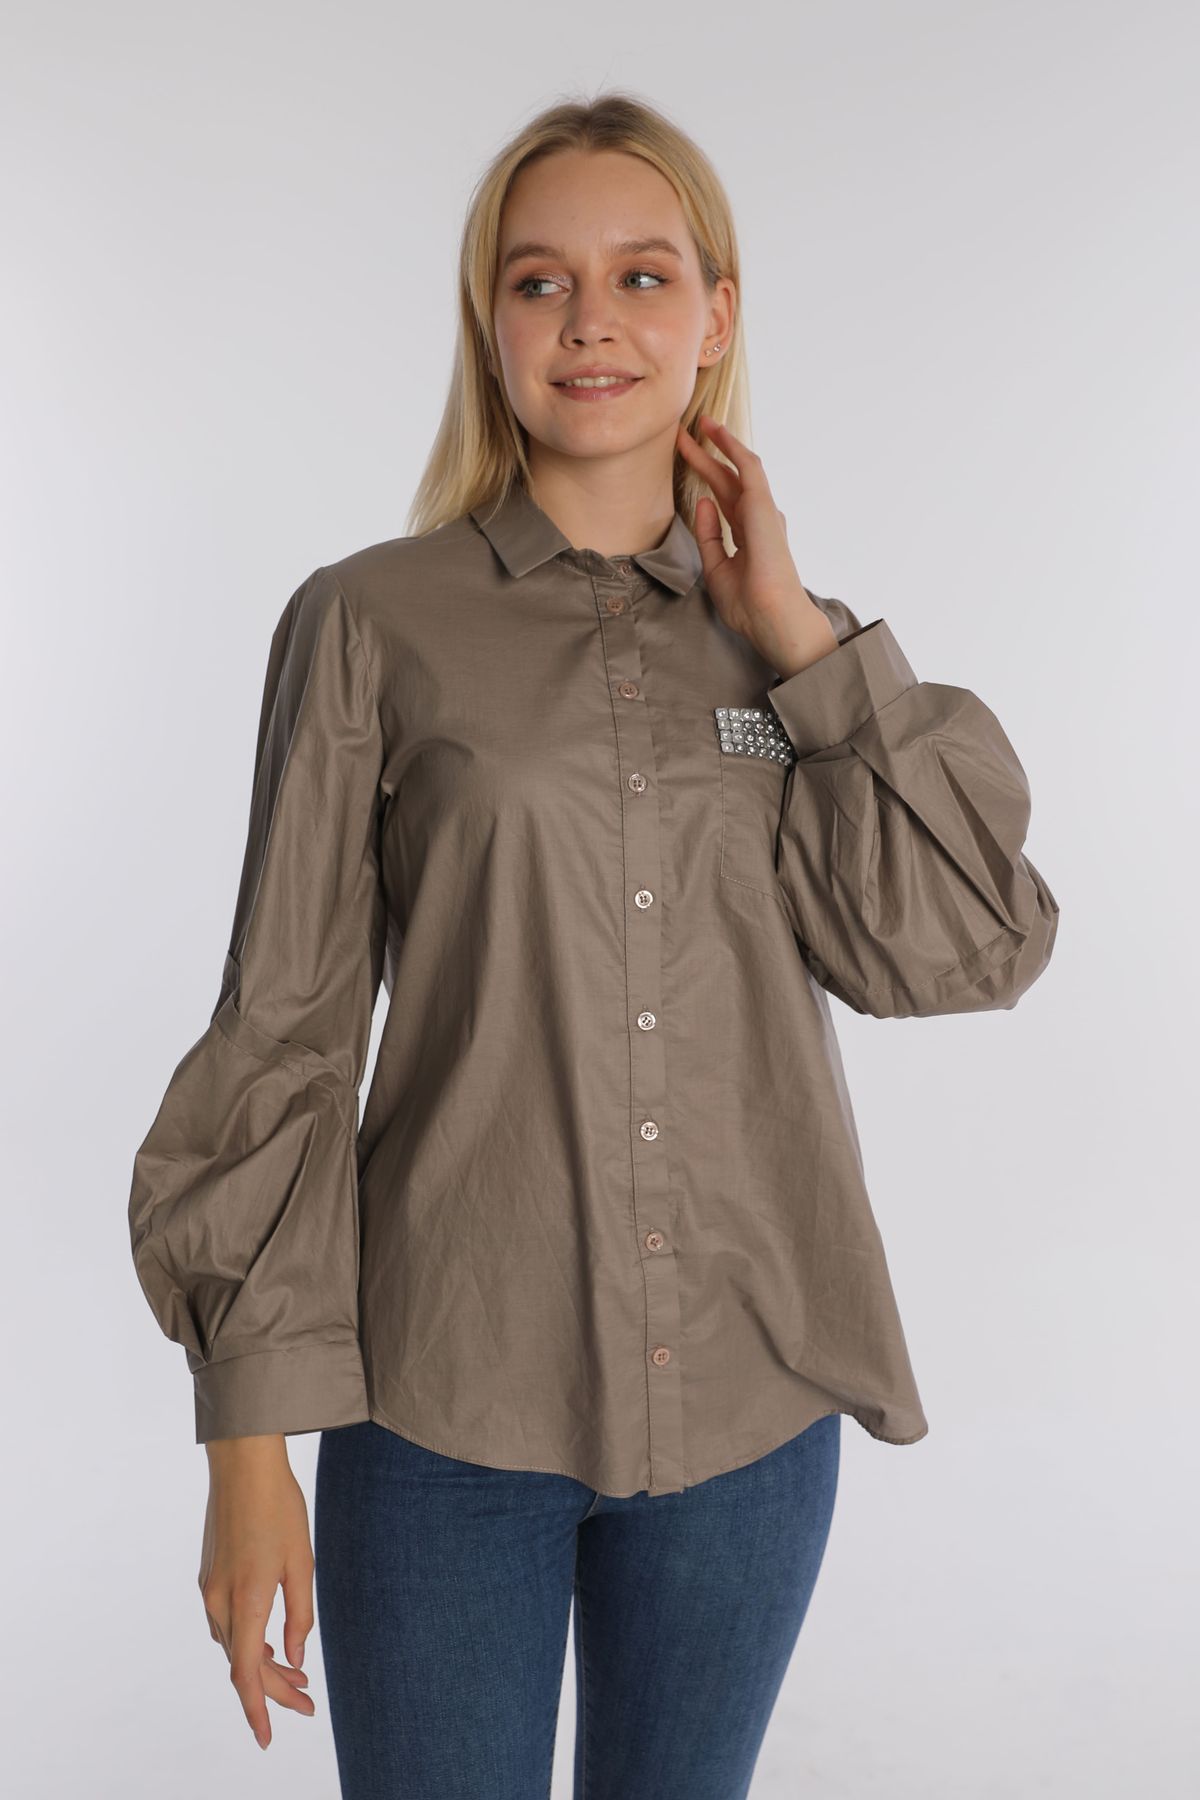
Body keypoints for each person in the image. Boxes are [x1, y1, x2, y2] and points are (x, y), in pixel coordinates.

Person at [127, 91, 1059, 1799]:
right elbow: (286, 1032)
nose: (592, 321)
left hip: (750, 1408)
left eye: (642, 275)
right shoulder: (368, 621)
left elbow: (964, 950)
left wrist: (801, 646)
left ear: (717, 316)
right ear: (489, 324)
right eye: (540, 280)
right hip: (442, 1411)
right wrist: (245, 1441)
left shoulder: (806, 661)